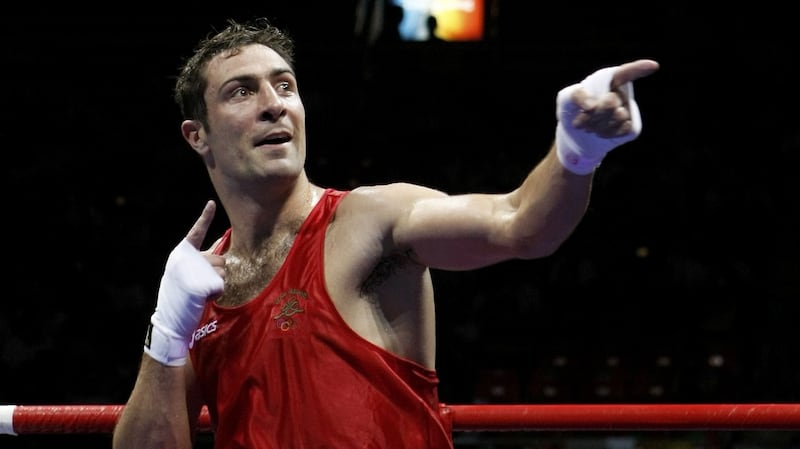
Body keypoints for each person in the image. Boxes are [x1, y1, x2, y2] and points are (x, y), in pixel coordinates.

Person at [112, 16, 659, 449]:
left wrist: (578, 149)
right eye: (241, 92)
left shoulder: (370, 220)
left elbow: (520, 225)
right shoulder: (198, 287)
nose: (275, 104)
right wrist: (166, 328)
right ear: (196, 135)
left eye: (285, 85)